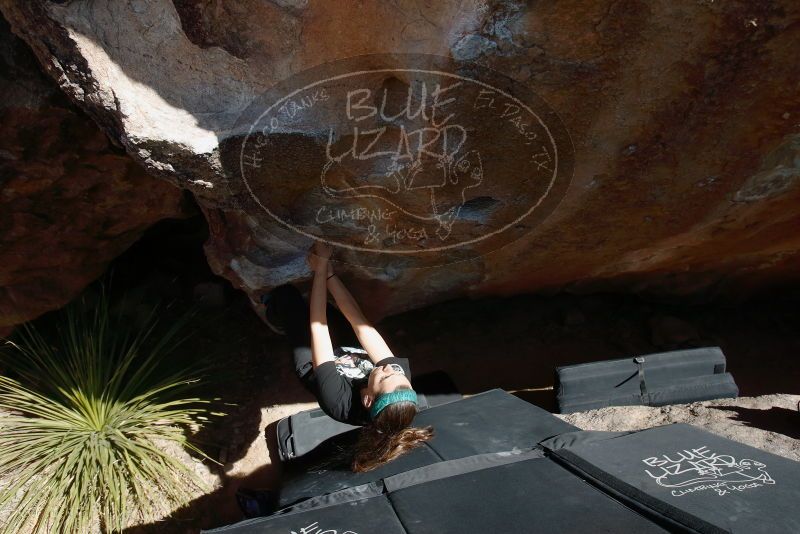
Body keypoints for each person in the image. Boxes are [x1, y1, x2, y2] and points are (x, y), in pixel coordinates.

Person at [260, 241, 433, 472]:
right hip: (351, 357)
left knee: (292, 305)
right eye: (398, 373)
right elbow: (361, 325)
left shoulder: (338, 402)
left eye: (384, 377)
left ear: (368, 400)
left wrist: (319, 270)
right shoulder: (397, 383)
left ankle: (273, 305)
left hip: (315, 366)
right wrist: (329, 275)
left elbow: (318, 329)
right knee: (333, 313)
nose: (390, 369)